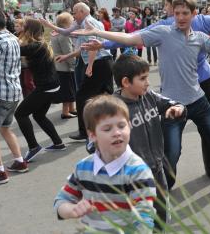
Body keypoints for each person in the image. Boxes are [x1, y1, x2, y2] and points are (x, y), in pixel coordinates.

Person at [86, 0, 210, 182]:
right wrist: (99, 33)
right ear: (172, 12)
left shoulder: (200, 37)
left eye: (185, 13)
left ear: (194, 14)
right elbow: (130, 38)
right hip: (171, 105)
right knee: (172, 153)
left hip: (198, 100)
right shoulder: (162, 32)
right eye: (177, 13)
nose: (181, 17)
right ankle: (165, 185)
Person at [54, 95, 156, 233]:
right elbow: (61, 200)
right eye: (107, 129)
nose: (117, 133)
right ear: (92, 135)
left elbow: (145, 217)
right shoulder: (83, 168)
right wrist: (71, 210)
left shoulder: (138, 171)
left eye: (122, 125)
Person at [112, 54, 185, 228]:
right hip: (133, 178)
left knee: (161, 215)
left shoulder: (150, 97)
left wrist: (177, 107)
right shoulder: (112, 108)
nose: (148, 82)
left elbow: (173, 104)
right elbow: (94, 144)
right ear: (126, 82)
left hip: (158, 170)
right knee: (140, 220)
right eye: (143, 78)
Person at [40, 2, 113, 142]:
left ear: (82, 12)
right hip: (103, 62)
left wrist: (90, 66)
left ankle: (85, 132)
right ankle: (103, 127)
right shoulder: (87, 22)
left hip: (99, 63)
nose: (73, 16)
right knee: (101, 97)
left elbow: (93, 47)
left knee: (82, 97)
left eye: (74, 13)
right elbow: (72, 37)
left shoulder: (88, 24)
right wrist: (67, 56)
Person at [14, 18, 66, 162]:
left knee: (20, 114)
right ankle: (58, 143)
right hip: (51, 86)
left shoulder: (36, 46)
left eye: (22, 26)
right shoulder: (39, 43)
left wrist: (5, 36)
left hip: (46, 87)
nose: (19, 28)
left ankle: (33, 147)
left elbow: (16, 49)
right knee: (39, 115)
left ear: (29, 30)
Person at [0, 10, 28, 186]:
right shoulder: (12, 37)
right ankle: (20, 161)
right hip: (12, 91)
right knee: (5, 128)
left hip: (1, 93)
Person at [50, 12, 77, 119]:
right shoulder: (64, 36)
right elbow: (68, 52)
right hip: (66, 66)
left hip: (58, 64)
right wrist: (74, 64)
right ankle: (65, 112)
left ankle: (72, 109)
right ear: (66, 23)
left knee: (68, 88)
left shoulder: (54, 33)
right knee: (68, 89)